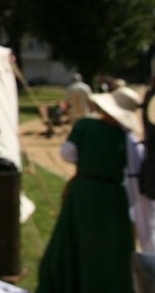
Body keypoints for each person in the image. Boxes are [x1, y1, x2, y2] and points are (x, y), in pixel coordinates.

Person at [37, 86, 141, 293]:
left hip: (84, 191)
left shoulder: (85, 126)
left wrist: (89, 162)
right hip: (113, 197)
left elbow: (67, 154)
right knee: (109, 249)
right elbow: (134, 171)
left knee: (77, 241)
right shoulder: (128, 139)